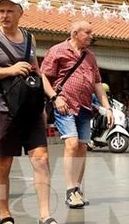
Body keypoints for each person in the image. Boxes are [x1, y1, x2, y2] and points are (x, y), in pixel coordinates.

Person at [0, 0, 71, 224]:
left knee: (41, 158)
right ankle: (4, 215)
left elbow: (36, 71)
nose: (4, 15)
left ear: (20, 13)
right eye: (1, 10)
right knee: (4, 164)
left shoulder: (29, 38)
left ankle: (45, 216)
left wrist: (53, 96)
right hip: (3, 110)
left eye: (9, 11)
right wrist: (10, 70)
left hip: (30, 109)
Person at [42, 20, 112, 209]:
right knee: (71, 144)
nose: (91, 36)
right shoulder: (57, 51)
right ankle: (70, 190)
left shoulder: (90, 56)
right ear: (75, 33)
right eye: (87, 33)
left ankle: (77, 188)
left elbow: (97, 83)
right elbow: (44, 77)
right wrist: (55, 97)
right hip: (64, 104)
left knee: (82, 147)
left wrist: (107, 107)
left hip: (85, 106)